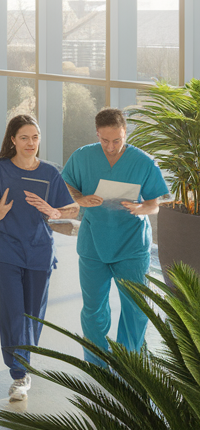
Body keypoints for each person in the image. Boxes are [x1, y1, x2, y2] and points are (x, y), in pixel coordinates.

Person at [0, 114, 78, 401]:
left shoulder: (49, 173)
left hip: (39, 252)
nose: (30, 143)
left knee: (32, 315)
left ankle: (24, 363)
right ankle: (19, 374)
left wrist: (53, 211)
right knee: (13, 312)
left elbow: (71, 210)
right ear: (13, 140)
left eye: (35, 137)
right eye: (24, 137)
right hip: (6, 250)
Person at [62, 107, 170, 364]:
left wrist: (142, 208)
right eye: (105, 140)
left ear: (125, 134)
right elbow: (68, 183)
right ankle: (97, 364)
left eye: (117, 140)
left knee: (135, 308)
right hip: (93, 244)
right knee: (93, 309)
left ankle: (129, 365)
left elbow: (155, 203)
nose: (111, 147)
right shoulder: (82, 156)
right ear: (97, 133)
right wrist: (80, 198)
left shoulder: (143, 161)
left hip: (131, 246)